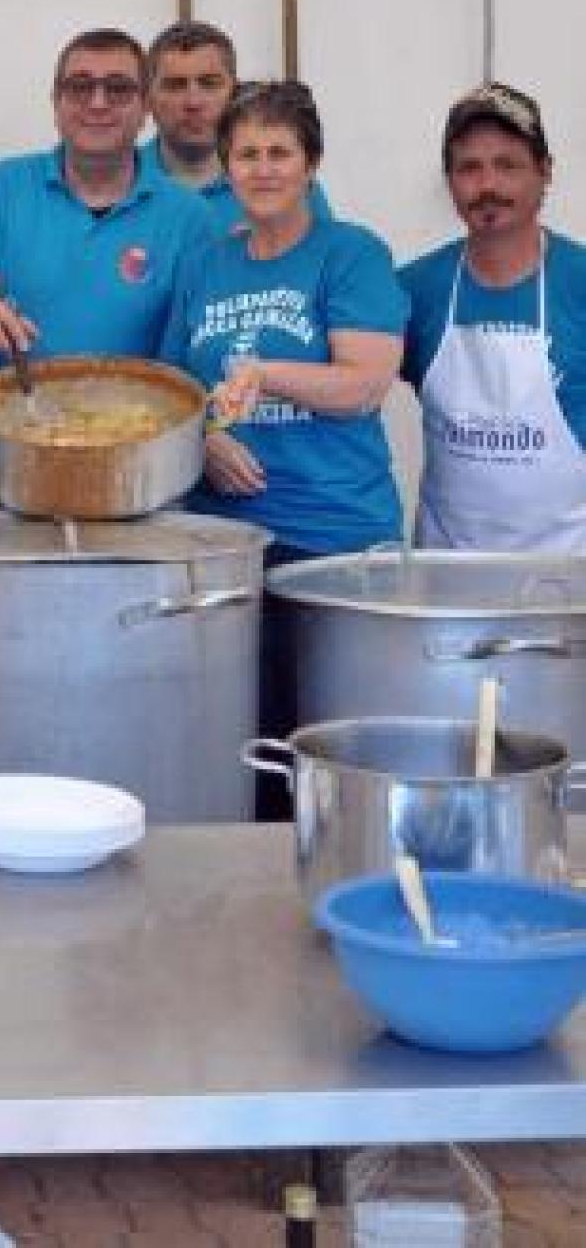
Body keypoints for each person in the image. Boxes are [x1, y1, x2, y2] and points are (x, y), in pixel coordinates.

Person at [160, 81, 407, 813]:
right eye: (247, 154)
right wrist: (204, 438)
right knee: (248, 746)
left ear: (311, 165)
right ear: (226, 168)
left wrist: (264, 374)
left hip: (336, 541)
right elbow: (178, 387)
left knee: (338, 751)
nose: (262, 169)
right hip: (229, 543)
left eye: (280, 152)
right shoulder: (206, 262)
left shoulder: (351, 253)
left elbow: (365, 383)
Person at [0, 27, 213, 376]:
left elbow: (191, 351)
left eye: (118, 88)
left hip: (136, 425)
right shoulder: (4, 185)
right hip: (5, 422)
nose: (98, 102)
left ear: (146, 105)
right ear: (56, 100)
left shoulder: (189, 215)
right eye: (80, 87)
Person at [401, 84, 584, 553]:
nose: (489, 187)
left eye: (508, 166)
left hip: (569, 576)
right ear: (450, 181)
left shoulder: (578, 280)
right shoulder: (414, 288)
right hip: (448, 578)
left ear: (545, 173)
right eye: (470, 168)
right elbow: (348, 379)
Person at [144, 19, 332, 231]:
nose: (193, 102)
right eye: (176, 86)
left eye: (209, 84)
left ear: (234, 92)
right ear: (148, 99)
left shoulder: (288, 184)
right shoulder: (122, 182)